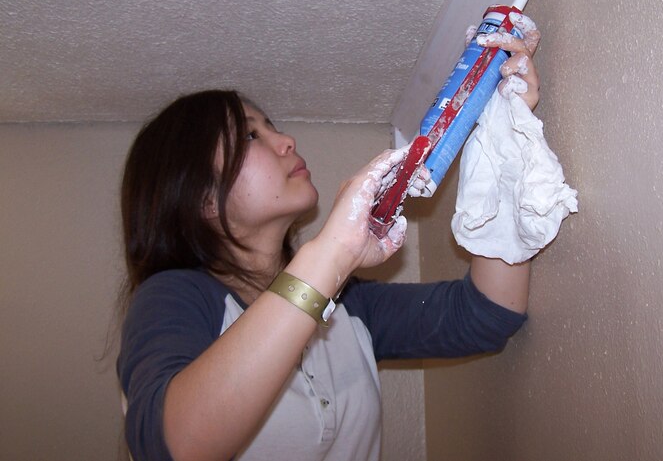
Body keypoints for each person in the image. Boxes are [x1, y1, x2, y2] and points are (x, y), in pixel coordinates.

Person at [116, 26, 541, 461]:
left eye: (272, 127)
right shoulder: (172, 298)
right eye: (250, 135)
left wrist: (502, 144)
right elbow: (172, 446)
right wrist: (333, 252)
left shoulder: (347, 306)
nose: (286, 141)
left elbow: (488, 312)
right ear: (200, 194)